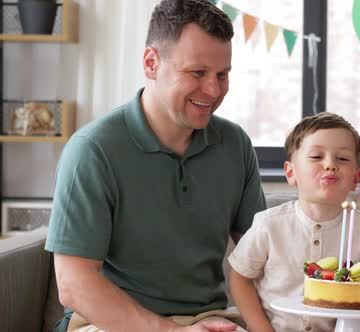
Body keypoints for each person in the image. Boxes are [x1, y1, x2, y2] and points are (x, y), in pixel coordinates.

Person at [45, 1, 266, 331]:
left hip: (210, 321)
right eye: (197, 73)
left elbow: (263, 258)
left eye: (222, 74)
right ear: (151, 63)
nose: (214, 90)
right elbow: (74, 284)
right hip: (107, 324)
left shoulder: (235, 144)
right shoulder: (93, 149)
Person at [228, 112, 360, 332]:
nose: (330, 165)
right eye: (316, 157)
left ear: (355, 178)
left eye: (342, 158)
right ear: (291, 172)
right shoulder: (269, 225)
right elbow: (240, 277)